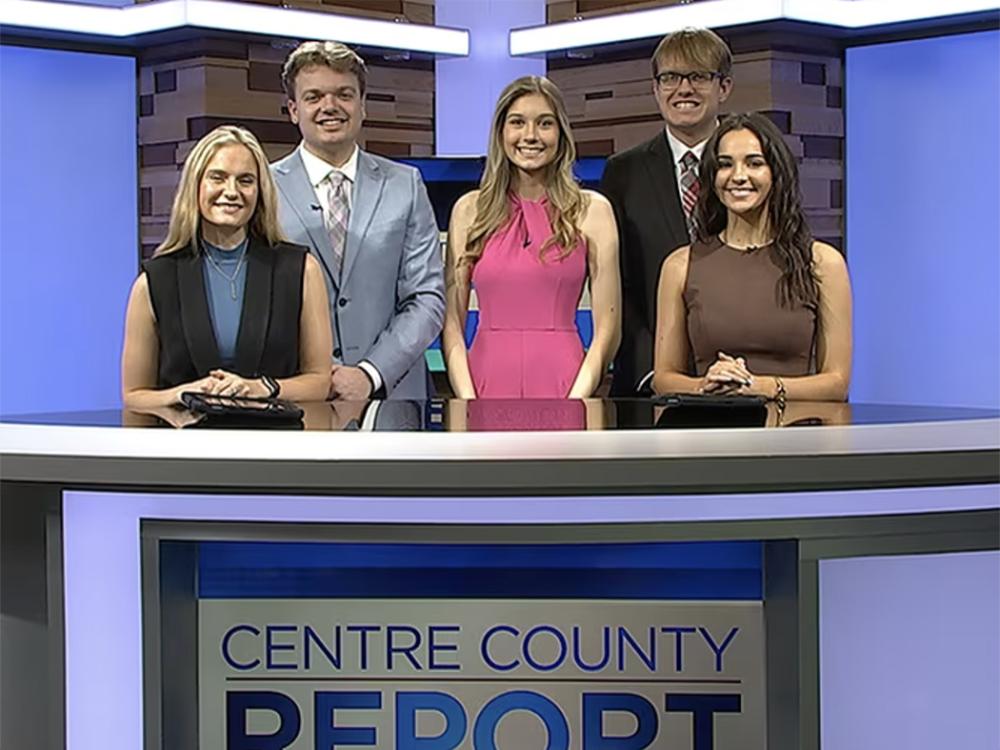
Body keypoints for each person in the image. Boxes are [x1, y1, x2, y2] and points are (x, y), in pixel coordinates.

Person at [272, 41, 445, 400]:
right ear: (293, 109)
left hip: (392, 397)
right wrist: (317, 376)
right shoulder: (263, 188)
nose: (329, 106)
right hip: (296, 395)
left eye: (344, 94)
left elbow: (426, 297)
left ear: (362, 105)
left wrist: (370, 373)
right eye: (314, 96)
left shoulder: (405, 185)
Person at [121, 125, 332, 408]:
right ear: (196, 185)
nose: (231, 192)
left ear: (260, 192)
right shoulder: (155, 281)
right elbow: (134, 395)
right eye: (217, 178)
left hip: (276, 433)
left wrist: (261, 387)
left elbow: (319, 382)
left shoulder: (300, 271)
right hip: (187, 434)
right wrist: (187, 393)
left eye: (245, 180)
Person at [652, 112, 852, 402]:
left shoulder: (822, 263)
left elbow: (836, 382)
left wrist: (760, 387)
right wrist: (705, 385)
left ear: (776, 173)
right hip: (710, 425)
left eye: (754, 163)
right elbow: (664, 378)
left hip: (795, 426)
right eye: (725, 165)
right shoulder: (679, 265)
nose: (738, 176)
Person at [442, 76, 620, 399]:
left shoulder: (592, 212)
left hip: (566, 385)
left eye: (545, 123)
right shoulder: (469, 211)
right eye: (517, 122)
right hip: (483, 384)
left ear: (561, 134)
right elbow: (452, 323)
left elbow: (608, 330)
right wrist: (468, 401)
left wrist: (576, 401)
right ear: (501, 132)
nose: (530, 135)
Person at [601, 27, 734, 395]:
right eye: (671, 77)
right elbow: (616, 285)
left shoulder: (751, 168)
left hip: (741, 378)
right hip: (647, 383)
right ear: (656, 89)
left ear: (724, 87)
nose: (684, 89)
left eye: (698, 76)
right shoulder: (622, 172)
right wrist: (655, 372)